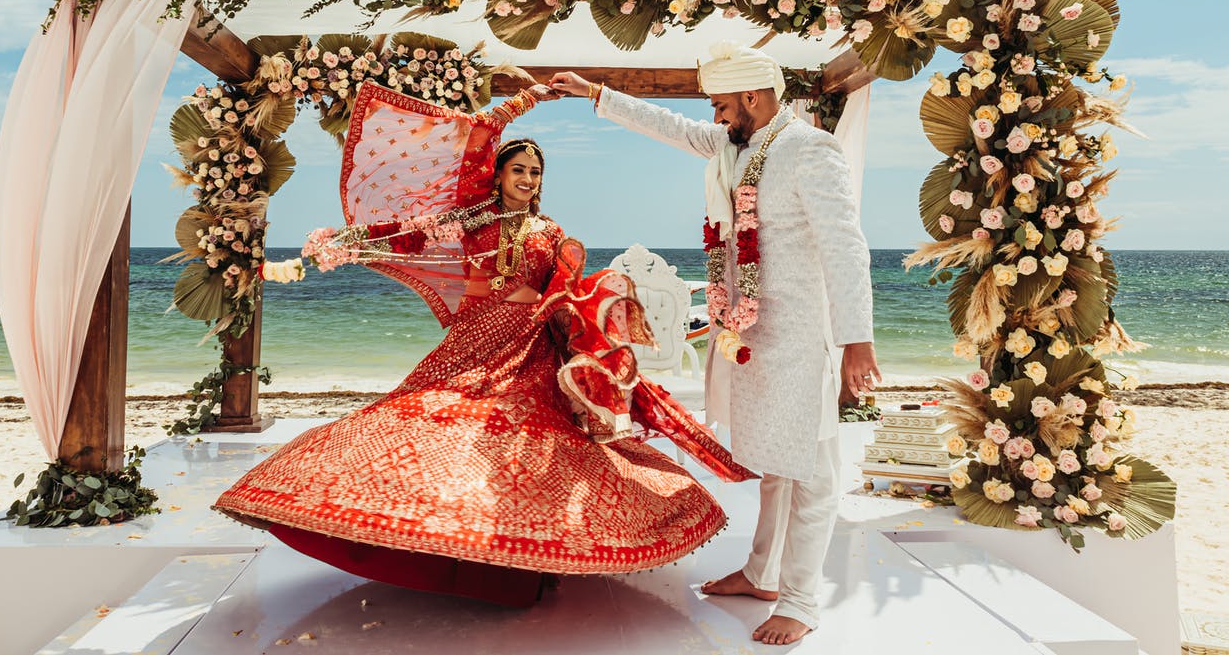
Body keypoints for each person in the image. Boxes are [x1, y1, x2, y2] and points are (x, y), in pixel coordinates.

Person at [214, 81, 754, 608]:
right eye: (517, 169)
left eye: (535, 171)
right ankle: (435, 536)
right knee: (428, 420)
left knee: (521, 443)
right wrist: (345, 244)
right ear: (495, 176)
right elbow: (416, 224)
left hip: (529, 347)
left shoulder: (551, 229)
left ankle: (521, 561)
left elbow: (562, 295)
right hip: (475, 341)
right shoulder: (475, 217)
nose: (526, 177)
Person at [548, 43, 877, 646]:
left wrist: (857, 340)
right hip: (749, 335)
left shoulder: (809, 149)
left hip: (802, 336)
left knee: (813, 471)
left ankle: (802, 602)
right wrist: (596, 95)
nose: (718, 118)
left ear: (754, 98)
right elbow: (672, 128)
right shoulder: (734, 146)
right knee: (777, 464)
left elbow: (846, 248)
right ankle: (762, 575)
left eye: (724, 106)